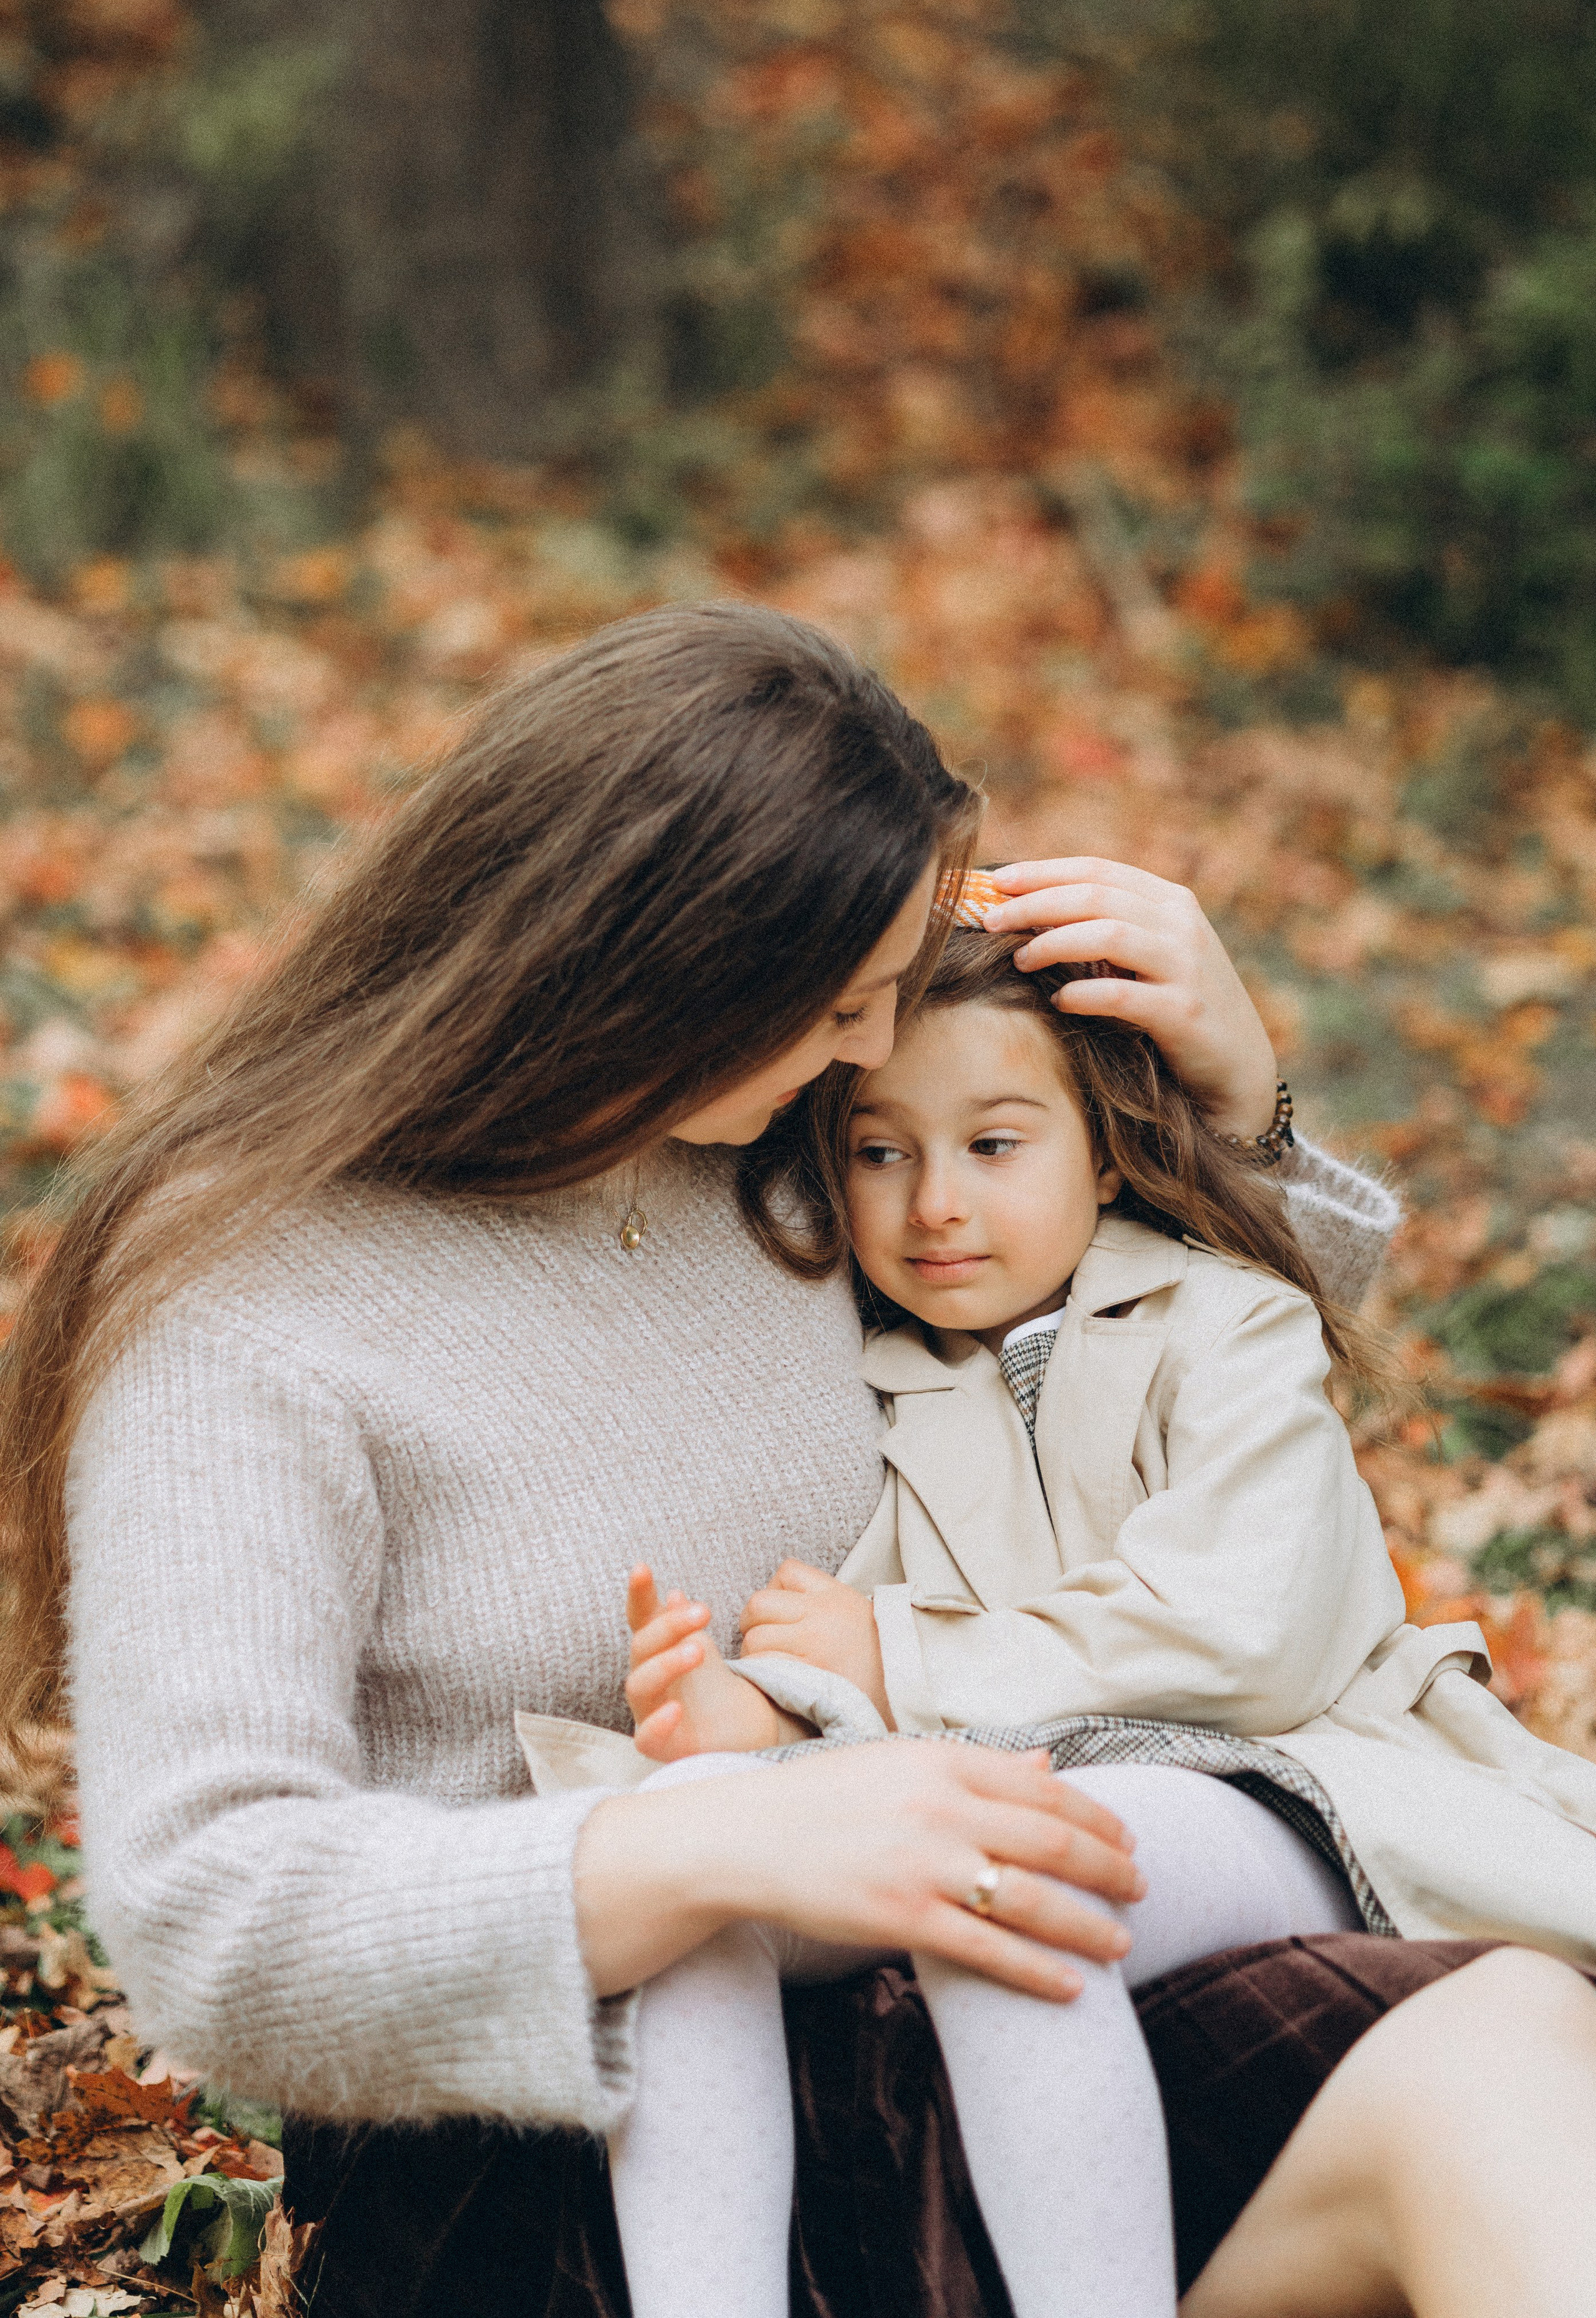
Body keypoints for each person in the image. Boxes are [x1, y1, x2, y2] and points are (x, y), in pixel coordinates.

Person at [0, 604, 1398, 2311]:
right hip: (552, 2119)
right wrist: (713, 1847)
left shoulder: (769, 1157)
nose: (876, 1050)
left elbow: (1127, 1390)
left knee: (1504, 2047)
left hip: (928, 1980)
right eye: (846, 1005)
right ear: (678, 970)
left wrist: (1242, 1106)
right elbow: (211, 1922)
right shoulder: (248, 1304)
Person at [559, 903, 1596, 2318]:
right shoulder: (880, 1389)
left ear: (1103, 1154)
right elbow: (862, 1661)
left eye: (993, 1146)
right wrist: (759, 1711)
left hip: (1290, 1784)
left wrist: (898, 1658)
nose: (933, 1203)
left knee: (1007, 1871)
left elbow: (1247, 1631)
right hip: (1049, 1791)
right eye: (880, 1152)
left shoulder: (1227, 1322)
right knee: (707, 1890)